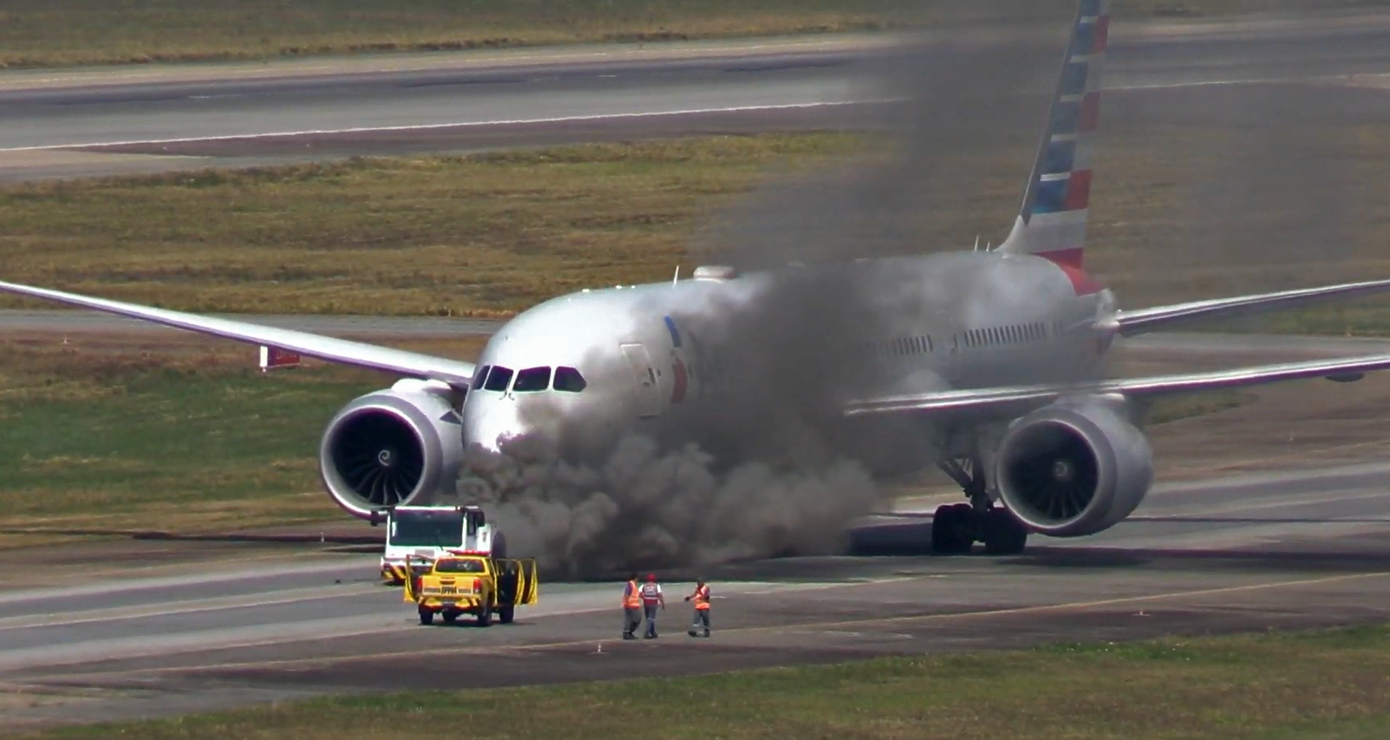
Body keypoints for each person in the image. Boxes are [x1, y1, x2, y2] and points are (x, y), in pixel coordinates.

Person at [639, 573, 665, 638]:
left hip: (646, 603)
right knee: (651, 618)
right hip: (653, 603)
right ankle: (647, 632)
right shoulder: (656, 586)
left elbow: (639, 594)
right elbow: (659, 595)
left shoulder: (643, 585)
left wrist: (644, 597)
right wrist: (662, 603)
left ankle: (653, 632)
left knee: (649, 618)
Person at [621, 572, 642, 640]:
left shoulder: (634, 585)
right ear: (635, 578)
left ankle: (629, 632)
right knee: (632, 620)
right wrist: (627, 603)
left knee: (635, 619)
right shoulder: (630, 584)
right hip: (630, 605)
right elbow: (627, 594)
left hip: (634, 605)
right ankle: (627, 632)